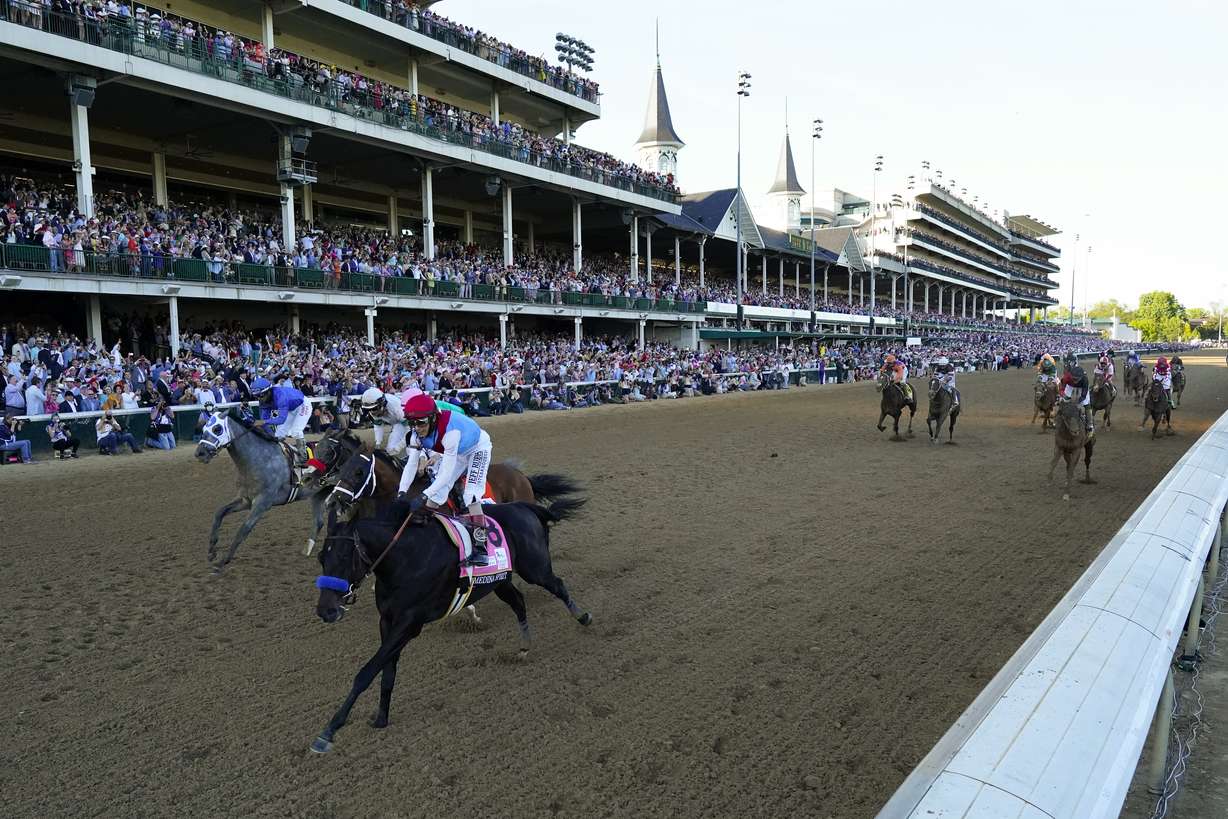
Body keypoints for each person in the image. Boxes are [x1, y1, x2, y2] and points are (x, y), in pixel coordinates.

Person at [398, 392, 493, 567]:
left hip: (477, 448)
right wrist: (401, 492)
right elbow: (411, 465)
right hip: (457, 452)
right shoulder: (415, 436)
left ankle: (481, 548)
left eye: (421, 422)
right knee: (438, 492)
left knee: (470, 495)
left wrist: (422, 496)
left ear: (433, 418)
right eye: (412, 423)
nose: (417, 428)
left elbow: (446, 475)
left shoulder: (450, 433)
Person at [251, 376, 311, 469]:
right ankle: (278, 455)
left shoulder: (280, 396)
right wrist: (270, 435)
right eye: (256, 396)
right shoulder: (264, 401)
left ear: (268, 391)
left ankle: (304, 459)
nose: (259, 399)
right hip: (290, 409)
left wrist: (263, 422)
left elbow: (280, 420)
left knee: (296, 431)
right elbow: (265, 423)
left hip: (303, 405)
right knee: (279, 434)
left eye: (261, 395)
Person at [360, 386, 409, 458]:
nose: (372, 412)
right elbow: (378, 426)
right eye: (368, 410)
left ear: (383, 403)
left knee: (411, 446)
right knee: (390, 449)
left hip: (407, 421)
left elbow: (410, 430)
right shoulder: (374, 409)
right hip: (397, 422)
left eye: (374, 408)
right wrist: (378, 443)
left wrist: (399, 447)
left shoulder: (397, 409)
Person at [1057, 352, 1094, 438]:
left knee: (1086, 405)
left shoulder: (1085, 379)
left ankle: (1090, 425)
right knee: (1063, 401)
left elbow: (1084, 394)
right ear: (1071, 376)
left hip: (1082, 388)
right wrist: (1063, 395)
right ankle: (1058, 419)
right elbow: (1062, 388)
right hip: (1070, 385)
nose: (1076, 380)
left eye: (1077, 379)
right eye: (1074, 378)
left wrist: (1079, 401)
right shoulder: (1066, 377)